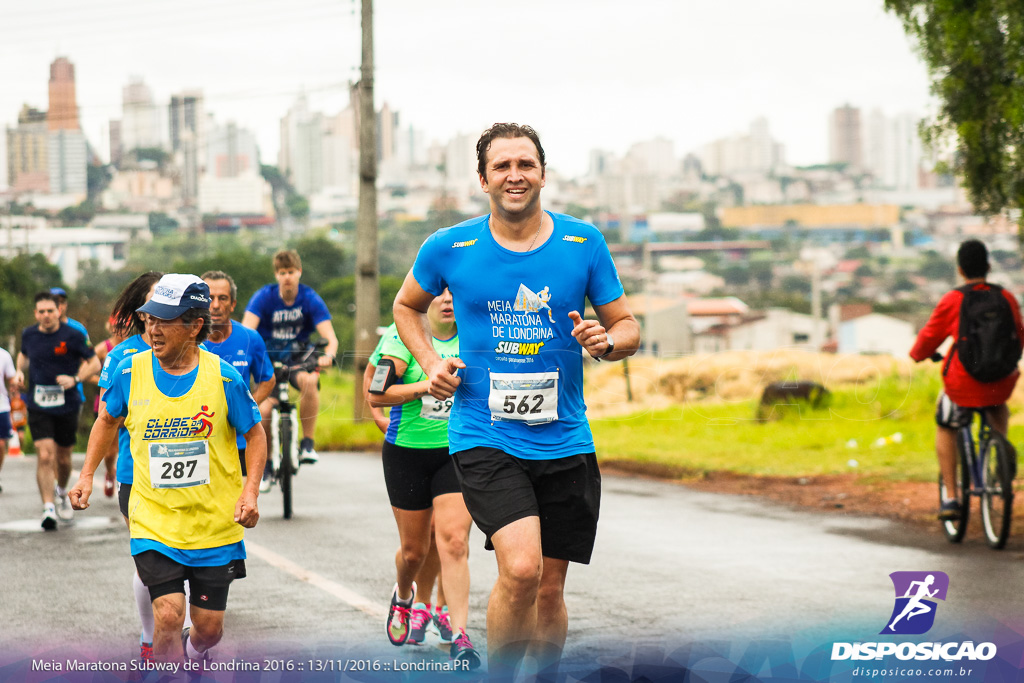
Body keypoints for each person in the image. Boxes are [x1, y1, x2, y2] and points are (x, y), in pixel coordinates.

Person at [393, 123, 640, 677]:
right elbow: (406, 307)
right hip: (485, 435)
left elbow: (626, 326)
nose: (514, 175)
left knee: (550, 591)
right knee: (522, 570)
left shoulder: (583, 242)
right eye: (501, 166)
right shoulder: (449, 247)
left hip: (566, 440)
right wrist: (431, 362)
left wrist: (607, 341)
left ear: (543, 174)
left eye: (525, 164)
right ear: (483, 180)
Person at [69, 273, 266, 665]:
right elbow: (106, 421)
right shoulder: (129, 372)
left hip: (213, 525)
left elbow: (256, 434)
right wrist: (87, 474)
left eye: (164, 320)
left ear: (194, 326)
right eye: (149, 319)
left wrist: (250, 491)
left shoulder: (224, 378)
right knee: (169, 614)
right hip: (154, 520)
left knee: (209, 630)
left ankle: (194, 656)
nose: (152, 329)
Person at [366, 292, 479, 667]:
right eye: (439, 295)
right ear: (422, 301)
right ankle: (403, 596)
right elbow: (377, 394)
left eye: (453, 294)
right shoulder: (401, 339)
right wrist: (424, 386)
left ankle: (460, 633)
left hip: (457, 451)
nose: (448, 301)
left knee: (454, 540)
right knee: (415, 550)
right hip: (407, 453)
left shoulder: (476, 334)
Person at [910, 239, 1024, 520]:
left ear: (960, 269)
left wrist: (918, 355)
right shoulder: (1006, 297)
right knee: (998, 404)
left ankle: (951, 497)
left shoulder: (954, 299)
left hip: (963, 383)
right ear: (988, 266)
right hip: (1000, 380)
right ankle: (1000, 451)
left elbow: (928, 338)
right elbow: (1019, 336)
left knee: (946, 423)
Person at [94, 271, 164, 661]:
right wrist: (88, 475)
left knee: (186, 556)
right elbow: (107, 420)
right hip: (136, 477)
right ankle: (151, 636)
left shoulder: (194, 352)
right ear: (140, 311)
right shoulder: (122, 356)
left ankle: (181, 630)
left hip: (191, 482)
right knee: (150, 559)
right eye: (153, 302)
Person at [13, 291, 101, 530]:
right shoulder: (29, 334)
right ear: (36, 314)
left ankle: (61, 491)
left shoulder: (74, 335)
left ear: (59, 311)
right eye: (41, 312)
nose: (46, 316)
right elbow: (23, 356)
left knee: (63, 458)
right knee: (44, 454)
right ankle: (48, 507)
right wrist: (19, 372)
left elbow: (94, 363)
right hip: (38, 403)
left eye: (50, 311)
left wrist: (75, 378)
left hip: (68, 404)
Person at [242, 249, 338, 465]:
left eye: (291, 272)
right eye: (283, 272)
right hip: (268, 360)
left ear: (299, 273)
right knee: (264, 409)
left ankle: (307, 444)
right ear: (277, 275)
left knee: (310, 381)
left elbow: (331, 338)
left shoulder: (309, 298)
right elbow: (247, 334)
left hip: (297, 358)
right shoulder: (263, 297)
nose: (287, 277)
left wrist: (328, 356)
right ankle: (265, 463)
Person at [201, 271, 275, 490]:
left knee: (236, 510)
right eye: (209, 298)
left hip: (240, 442)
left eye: (222, 298)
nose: (215, 305)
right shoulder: (186, 340)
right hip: (199, 441)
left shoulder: (250, 338)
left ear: (232, 304)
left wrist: (243, 410)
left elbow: (267, 380)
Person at [93, 315, 126, 498]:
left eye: (124, 326)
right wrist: (105, 381)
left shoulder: (136, 347)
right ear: (110, 327)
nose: (120, 330)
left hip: (129, 403)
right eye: (117, 326)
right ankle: (110, 472)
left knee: (127, 445)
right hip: (106, 402)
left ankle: (126, 476)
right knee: (111, 450)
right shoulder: (103, 349)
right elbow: (86, 369)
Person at [0, 345, 16, 493]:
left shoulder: (3, 355)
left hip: (1, 405)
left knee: (1, 444)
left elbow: (12, 378)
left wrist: (15, 386)